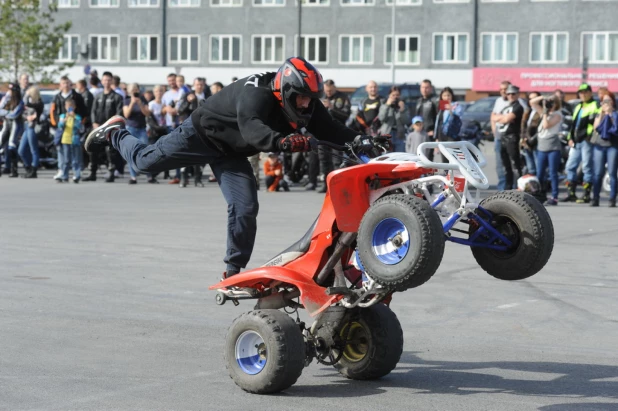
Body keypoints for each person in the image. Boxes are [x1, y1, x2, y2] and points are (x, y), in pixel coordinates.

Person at [85, 57, 372, 278]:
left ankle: (233, 269)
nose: (306, 104)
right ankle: (115, 133)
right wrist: (284, 142)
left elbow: (331, 129)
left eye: (311, 98)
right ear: (285, 88)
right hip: (199, 136)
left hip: (231, 153)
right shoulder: (256, 93)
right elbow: (252, 130)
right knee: (144, 162)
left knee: (245, 207)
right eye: (301, 96)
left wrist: (363, 141)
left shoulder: (307, 104)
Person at [563, 83, 600, 203]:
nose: (583, 94)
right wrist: (570, 137)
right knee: (570, 166)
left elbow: (596, 124)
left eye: (585, 92)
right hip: (576, 141)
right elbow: (574, 124)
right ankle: (571, 193)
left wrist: (590, 137)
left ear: (590, 92)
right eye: (581, 92)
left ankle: (586, 194)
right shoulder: (579, 106)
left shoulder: (595, 105)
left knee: (586, 167)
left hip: (586, 140)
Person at [87, 71, 124, 182]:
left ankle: (111, 172)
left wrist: (110, 125)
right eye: (104, 80)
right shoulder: (98, 96)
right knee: (91, 148)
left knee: (110, 151)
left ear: (112, 81)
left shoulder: (117, 97)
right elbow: (93, 111)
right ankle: (92, 172)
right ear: (101, 81)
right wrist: (94, 123)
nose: (106, 82)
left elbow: (118, 114)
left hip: (110, 129)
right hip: (98, 128)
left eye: (108, 80)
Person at [50, 76, 87, 181]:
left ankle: (76, 172)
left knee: (75, 154)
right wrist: (57, 123)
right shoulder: (57, 97)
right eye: (63, 83)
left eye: (67, 83)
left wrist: (79, 122)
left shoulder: (77, 96)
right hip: (61, 128)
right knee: (61, 150)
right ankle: (62, 170)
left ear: (70, 84)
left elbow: (84, 112)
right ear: (60, 85)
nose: (65, 85)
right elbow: (53, 112)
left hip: (73, 130)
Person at [529, 94, 564, 206]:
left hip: (553, 146)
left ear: (556, 104)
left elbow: (546, 125)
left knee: (553, 173)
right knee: (540, 173)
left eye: (552, 102)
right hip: (542, 146)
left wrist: (544, 112)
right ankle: (540, 195)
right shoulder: (544, 112)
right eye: (549, 102)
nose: (550, 104)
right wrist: (543, 98)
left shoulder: (558, 114)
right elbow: (532, 103)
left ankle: (554, 196)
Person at [493, 84, 524, 190]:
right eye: (509, 93)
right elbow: (494, 117)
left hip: (512, 137)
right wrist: (503, 117)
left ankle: (519, 187)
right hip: (503, 137)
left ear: (518, 94)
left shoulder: (518, 106)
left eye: (513, 94)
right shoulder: (506, 106)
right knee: (505, 166)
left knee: (515, 164)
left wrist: (502, 118)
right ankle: (508, 186)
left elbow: (506, 119)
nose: (510, 95)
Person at [591, 91, 618, 207]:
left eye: (608, 100)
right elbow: (595, 128)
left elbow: (615, 127)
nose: (606, 103)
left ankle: (612, 198)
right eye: (604, 101)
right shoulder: (599, 113)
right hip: (599, 146)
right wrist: (602, 113)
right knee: (597, 173)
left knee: (612, 173)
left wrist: (610, 113)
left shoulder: (615, 114)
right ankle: (595, 197)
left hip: (612, 146)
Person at [123, 83, 152, 184]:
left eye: (136, 90)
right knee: (131, 152)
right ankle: (133, 176)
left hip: (141, 128)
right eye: (132, 90)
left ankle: (149, 175)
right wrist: (132, 103)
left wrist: (140, 103)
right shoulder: (126, 100)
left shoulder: (143, 99)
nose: (135, 92)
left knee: (145, 151)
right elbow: (126, 114)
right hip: (131, 128)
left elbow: (147, 113)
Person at [18, 86, 44, 179]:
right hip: (27, 127)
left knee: (34, 150)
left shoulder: (38, 103)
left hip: (33, 127)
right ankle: (28, 167)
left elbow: (28, 105)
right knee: (21, 150)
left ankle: (33, 170)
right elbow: (23, 110)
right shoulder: (29, 102)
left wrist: (26, 95)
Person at [56, 99, 84, 183]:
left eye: (71, 106)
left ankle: (77, 175)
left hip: (75, 139)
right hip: (65, 139)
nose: (69, 108)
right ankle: (65, 175)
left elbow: (80, 127)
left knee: (75, 159)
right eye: (68, 106)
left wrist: (74, 117)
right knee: (66, 159)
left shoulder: (77, 117)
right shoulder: (62, 116)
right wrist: (66, 118)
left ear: (74, 107)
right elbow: (60, 126)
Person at [0, 83, 24, 178]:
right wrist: (7, 112)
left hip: (15, 124)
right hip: (6, 123)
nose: (9, 92)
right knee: (1, 144)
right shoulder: (6, 100)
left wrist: (5, 113)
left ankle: (14, 170)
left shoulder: (20, 102)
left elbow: (15, 114)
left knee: (12, 145)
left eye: (11, 90)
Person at [433, 87, 463, 162]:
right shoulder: (440, 107)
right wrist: (436, 137)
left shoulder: (456, 105)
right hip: (441, 136)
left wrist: (451, 109)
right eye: (444, 96)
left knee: (453, 158)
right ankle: (446, 173)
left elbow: (458, 117)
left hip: (451, 135)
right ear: (441, 97)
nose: (447, 97)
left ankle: (453, 173)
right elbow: (438, 122)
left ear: (452, 96)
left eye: (448, 95)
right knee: (444, 159)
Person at [491, 81, 511, 190]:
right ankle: (501, 191)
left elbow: (508, 118)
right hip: (498, 138)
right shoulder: (498, 101)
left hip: (510, 139)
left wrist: (500, 118)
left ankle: (511, 189)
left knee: (510, 166)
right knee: (499, 167)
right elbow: (493, 116)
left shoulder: (516, 102)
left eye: (506, 89)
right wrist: (494, 130)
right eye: (501, 89)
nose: (503, 91)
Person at [379, 86, 409, 152]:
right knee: (387, 156)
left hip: (399, 134)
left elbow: (406, 121)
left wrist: (402, 110)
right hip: (387, 134)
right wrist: (387, 105)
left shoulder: (404, 106)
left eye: (397, 95)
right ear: (389, 95)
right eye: (393, 95)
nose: (395, 97)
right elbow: (381, 118)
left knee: (399, 156)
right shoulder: (384, 105)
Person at [521, 91, 542, 176]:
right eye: (530, 99)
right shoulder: (528, 111)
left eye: (534, 98)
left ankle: (541, 185)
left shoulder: (541, 111)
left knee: (538, 167)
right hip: (527, 143)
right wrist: (523, 138)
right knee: (531, 168)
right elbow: (524, 126)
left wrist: (532, 139)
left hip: (536, 142)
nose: (532, 101)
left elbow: (539, 129)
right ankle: (532, 187)